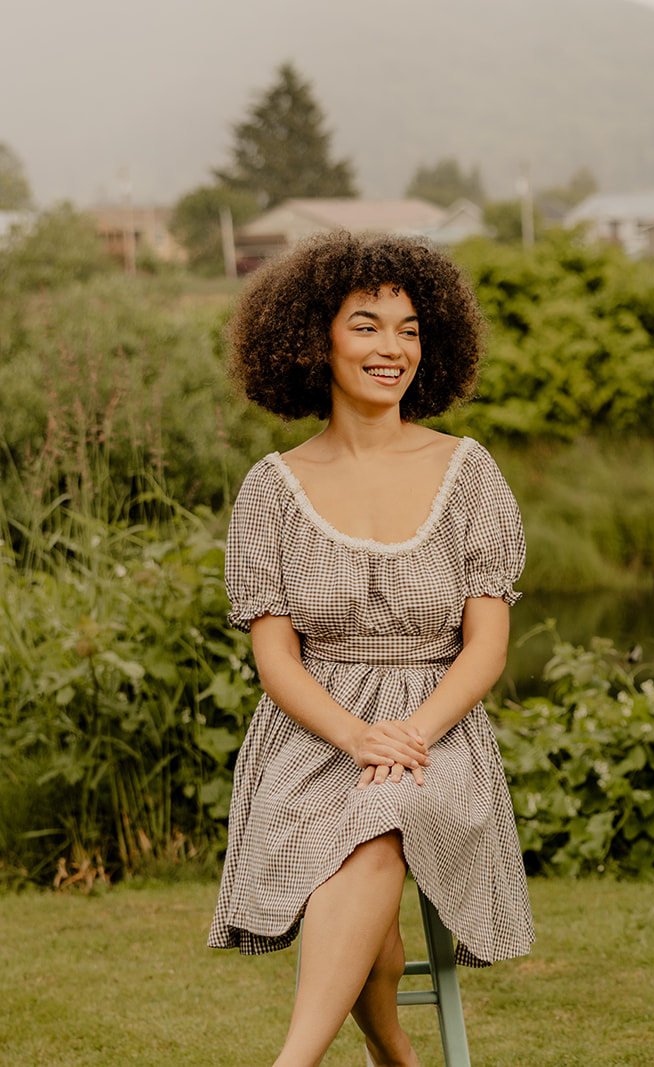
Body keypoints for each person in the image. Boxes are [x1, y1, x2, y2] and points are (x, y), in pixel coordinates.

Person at [208, 231, 534, 1067]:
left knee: (384, 818)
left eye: (409, 327)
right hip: (313, 735)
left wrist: (409, 734)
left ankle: (294, 1062)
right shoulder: (271, 488)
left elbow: (486, 648)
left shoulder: (470, 472)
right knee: (365, 841)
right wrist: (356, 735)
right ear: (315, 337)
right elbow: (276, 659)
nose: (392, 348)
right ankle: (397, 1054)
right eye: (366, 325)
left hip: (438, 730)